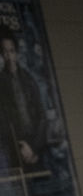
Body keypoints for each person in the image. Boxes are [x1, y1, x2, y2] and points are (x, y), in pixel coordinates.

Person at [0, 27, 48, 172]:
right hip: (15, 152)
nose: (9, 56)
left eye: (12, 51)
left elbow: (42, 116)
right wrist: (20, 146)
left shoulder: (28, 80)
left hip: (36, 150)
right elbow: (3, 123)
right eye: (4, 52)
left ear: (17, 53)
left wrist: (33, 147)